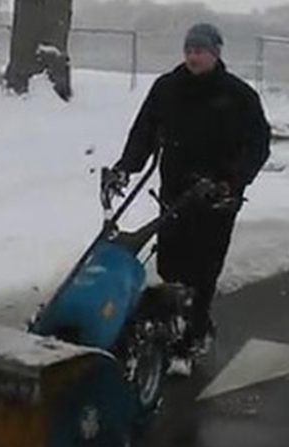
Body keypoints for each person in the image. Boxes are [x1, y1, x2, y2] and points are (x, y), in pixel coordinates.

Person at [108, 23, 271, 361]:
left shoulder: (238, 96)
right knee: (171, 265)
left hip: (218, 198)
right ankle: (173, 326)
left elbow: (257, 145)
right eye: (189, 50)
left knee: (203, 270)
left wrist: (233, 181)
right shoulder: (168, 88)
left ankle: (195, 333)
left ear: (215, 53)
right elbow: (144, 132)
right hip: (175, 192)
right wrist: (126, 167)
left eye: (201, 50)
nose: (194, 56)